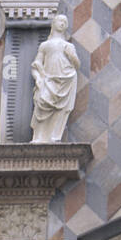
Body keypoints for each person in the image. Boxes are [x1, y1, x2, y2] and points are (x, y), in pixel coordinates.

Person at [30, 14, 79, 143]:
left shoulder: (68, 46)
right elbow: (37, 63)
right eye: (60, 21)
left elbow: (77, 64)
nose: (62, 23)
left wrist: (71, 55)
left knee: (61, 109)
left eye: (65, 22)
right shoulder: (45, 45)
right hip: (48, 79)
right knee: (41, 104)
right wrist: (38, 77)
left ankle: (54, 136)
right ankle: (39, 136)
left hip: (66, 78)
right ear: (53, 24)